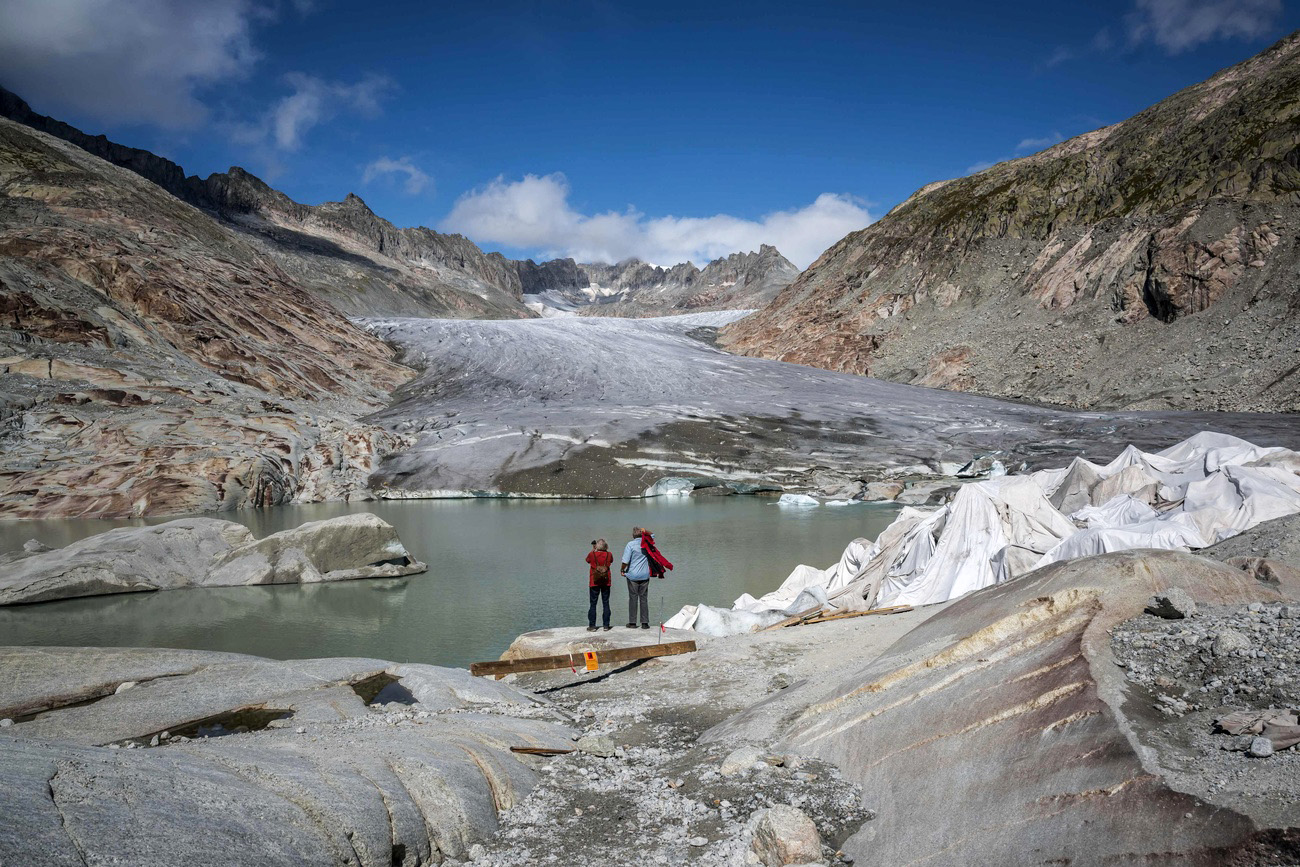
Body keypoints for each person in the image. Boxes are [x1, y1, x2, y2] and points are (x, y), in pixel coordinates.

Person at [621, 527, 653, 629]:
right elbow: (652, 534)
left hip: (632, 576)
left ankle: (632, 622)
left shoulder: (630, 545)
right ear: (642, 535)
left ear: (633, 535)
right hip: (645, 575)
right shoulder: (647, 543)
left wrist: (622, 570)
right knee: (644, 599)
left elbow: (625, 561)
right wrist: (645, 531)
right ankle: (644, 623)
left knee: (633, 598)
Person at [585, 539, 614, 632]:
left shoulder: (592, 554)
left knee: (593, 604)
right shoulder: (609, 554)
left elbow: (587, 560)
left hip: (594, 581)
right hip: (606, 581)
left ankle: (592, 625)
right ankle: (606, 625)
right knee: (606, 603)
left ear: (596, 546)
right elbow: (611, 561)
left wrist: (594, 550)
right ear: (606, 546)